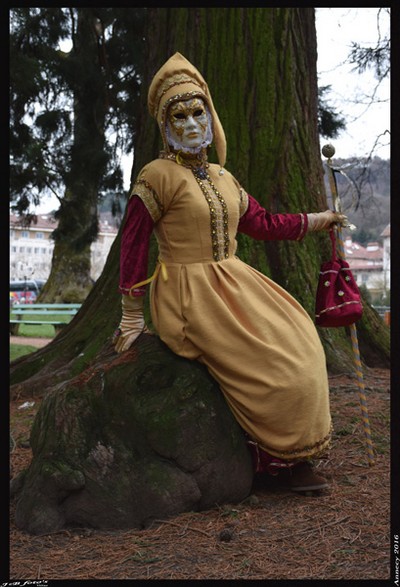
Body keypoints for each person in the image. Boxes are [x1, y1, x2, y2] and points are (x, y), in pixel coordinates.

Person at [113, 52, 346, 493]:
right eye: (177, 115)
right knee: (267, 366)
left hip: (234, 279)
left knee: (301, 344)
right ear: (165, 125)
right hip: (187, 293)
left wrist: (320, 219)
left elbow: (264, 224)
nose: (189, 122)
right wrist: (131, 315)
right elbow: (133, 243)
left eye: (197, 111)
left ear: (210, 114)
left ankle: (291, 459)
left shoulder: (223, 176)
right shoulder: (156, 175)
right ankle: (272, 464)